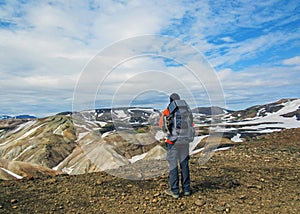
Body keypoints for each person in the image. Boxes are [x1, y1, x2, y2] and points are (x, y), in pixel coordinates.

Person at [159, 93, 194, 198]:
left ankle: (175, 191)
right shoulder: (187, 110)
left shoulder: (167, 111)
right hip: (184, 142)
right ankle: (186, 189)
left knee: (173, 166)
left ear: (170, 101)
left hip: (172, 142)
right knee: (184, 165)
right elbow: (192, 124)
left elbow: (162, 126)